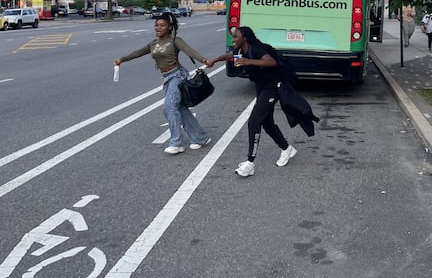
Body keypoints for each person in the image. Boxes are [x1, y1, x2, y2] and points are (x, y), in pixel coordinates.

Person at [207, 26, 318, 178]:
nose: (233, 40)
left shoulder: (256, 49)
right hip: (262, 89)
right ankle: (286, 149)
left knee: (254, 122)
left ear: (244, 38)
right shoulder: (240, 52)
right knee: (267, 123)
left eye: (236, 37)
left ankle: (250, 163)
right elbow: (229, 57)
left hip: (273, 88)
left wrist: (249, 61)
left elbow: (271, 62)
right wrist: (213, 60)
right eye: (232, 37)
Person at [114, 12, 211, 155]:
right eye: (157, 25)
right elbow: (138, 53)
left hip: (178, 76)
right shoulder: (153, 43)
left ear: (169, 27)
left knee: (169, 108)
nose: (158, 28)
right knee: (180, 109)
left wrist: (204, 60)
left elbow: (190, 51)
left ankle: (177, 143)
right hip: (167, 78)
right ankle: (201, 137)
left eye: (162, 25)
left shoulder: (175, 41)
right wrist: (121, 59)